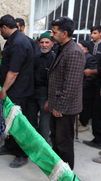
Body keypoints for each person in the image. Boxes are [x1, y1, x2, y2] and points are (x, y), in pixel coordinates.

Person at [0, 14, 34, 168]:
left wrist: (3, 90)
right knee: (9, 120)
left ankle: (21, 154)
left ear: (4, 28)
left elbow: (14, 72)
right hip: (13, 88)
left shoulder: (18, 42)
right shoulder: (13, 40)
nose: (0, 33)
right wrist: (0, 75)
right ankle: (9, 146)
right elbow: (9, 66)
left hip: (18, 91)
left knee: (17, 123)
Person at [46, 16, 85, 170]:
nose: (51, 35)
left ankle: (67, 175)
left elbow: (71, 84)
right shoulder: (62, 48)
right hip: (57, 105)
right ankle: (58, 170)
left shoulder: (74, 52)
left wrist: (60, 107)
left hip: (65, 109)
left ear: (64, 33)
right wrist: (51, 102)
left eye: (54, 32)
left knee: (64, 143)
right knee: (55, 139)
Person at [26, 32, 55, 142]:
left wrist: (49, 99)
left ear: (52, 44)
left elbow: (54, 81)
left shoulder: (54, 59)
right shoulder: (35, 57)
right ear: (38, 44)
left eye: (47, 42)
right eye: (42, 42)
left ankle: (44, 145)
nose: (44, 45)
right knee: (31, 119)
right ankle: (34, 142)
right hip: (33, 92)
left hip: (45, 93)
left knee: (44, 122)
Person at [83, 26, 101, 149]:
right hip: (90, 83)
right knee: (92, 110)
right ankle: (96, 138)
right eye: (91, 33)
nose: (92, 35)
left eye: (95, 33)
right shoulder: (89, 45)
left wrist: (92, 72)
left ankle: (98, 140)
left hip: (98, 80)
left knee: (98, 112)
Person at [77, 40, 97, 132]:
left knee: (85, 107)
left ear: (85, 49)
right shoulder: (79, 57)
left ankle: (83, 124)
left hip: (86, 89)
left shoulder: (90, 58)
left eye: (79, 47)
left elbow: (91, 76)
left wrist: (82, 86)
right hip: (79, 87)